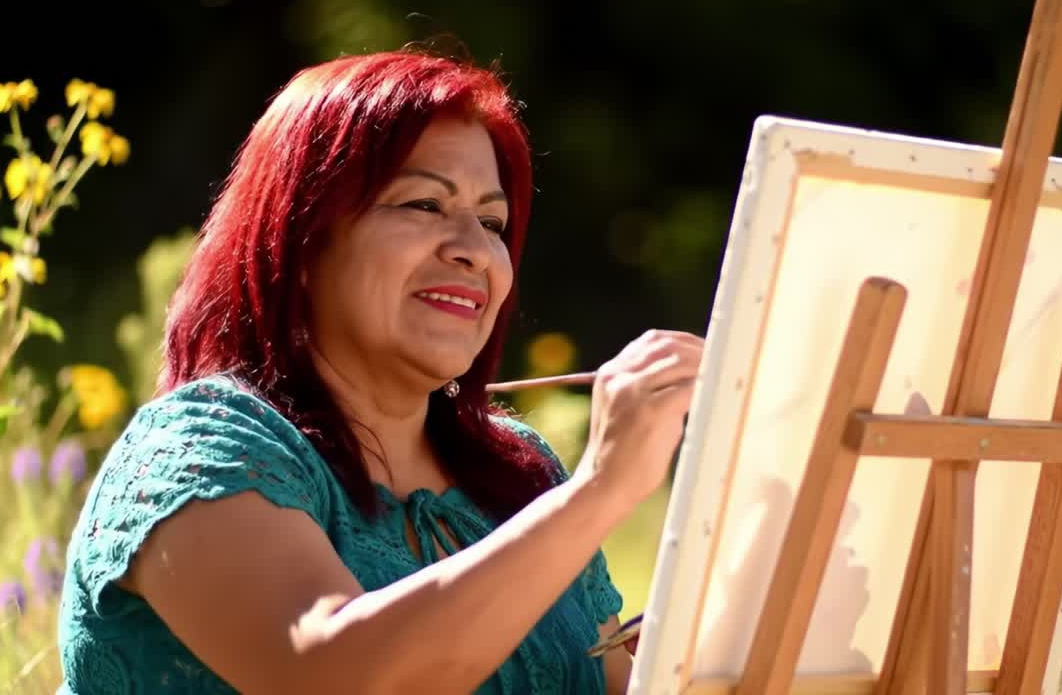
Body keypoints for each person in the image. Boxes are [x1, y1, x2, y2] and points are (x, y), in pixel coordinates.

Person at [56, 49, 703, 694]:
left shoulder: (519, 475)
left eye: (491, 221)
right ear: (301, 239)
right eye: (424, 205)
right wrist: (600, 489)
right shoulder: (196, 451)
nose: (475, 251)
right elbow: (330, 677)